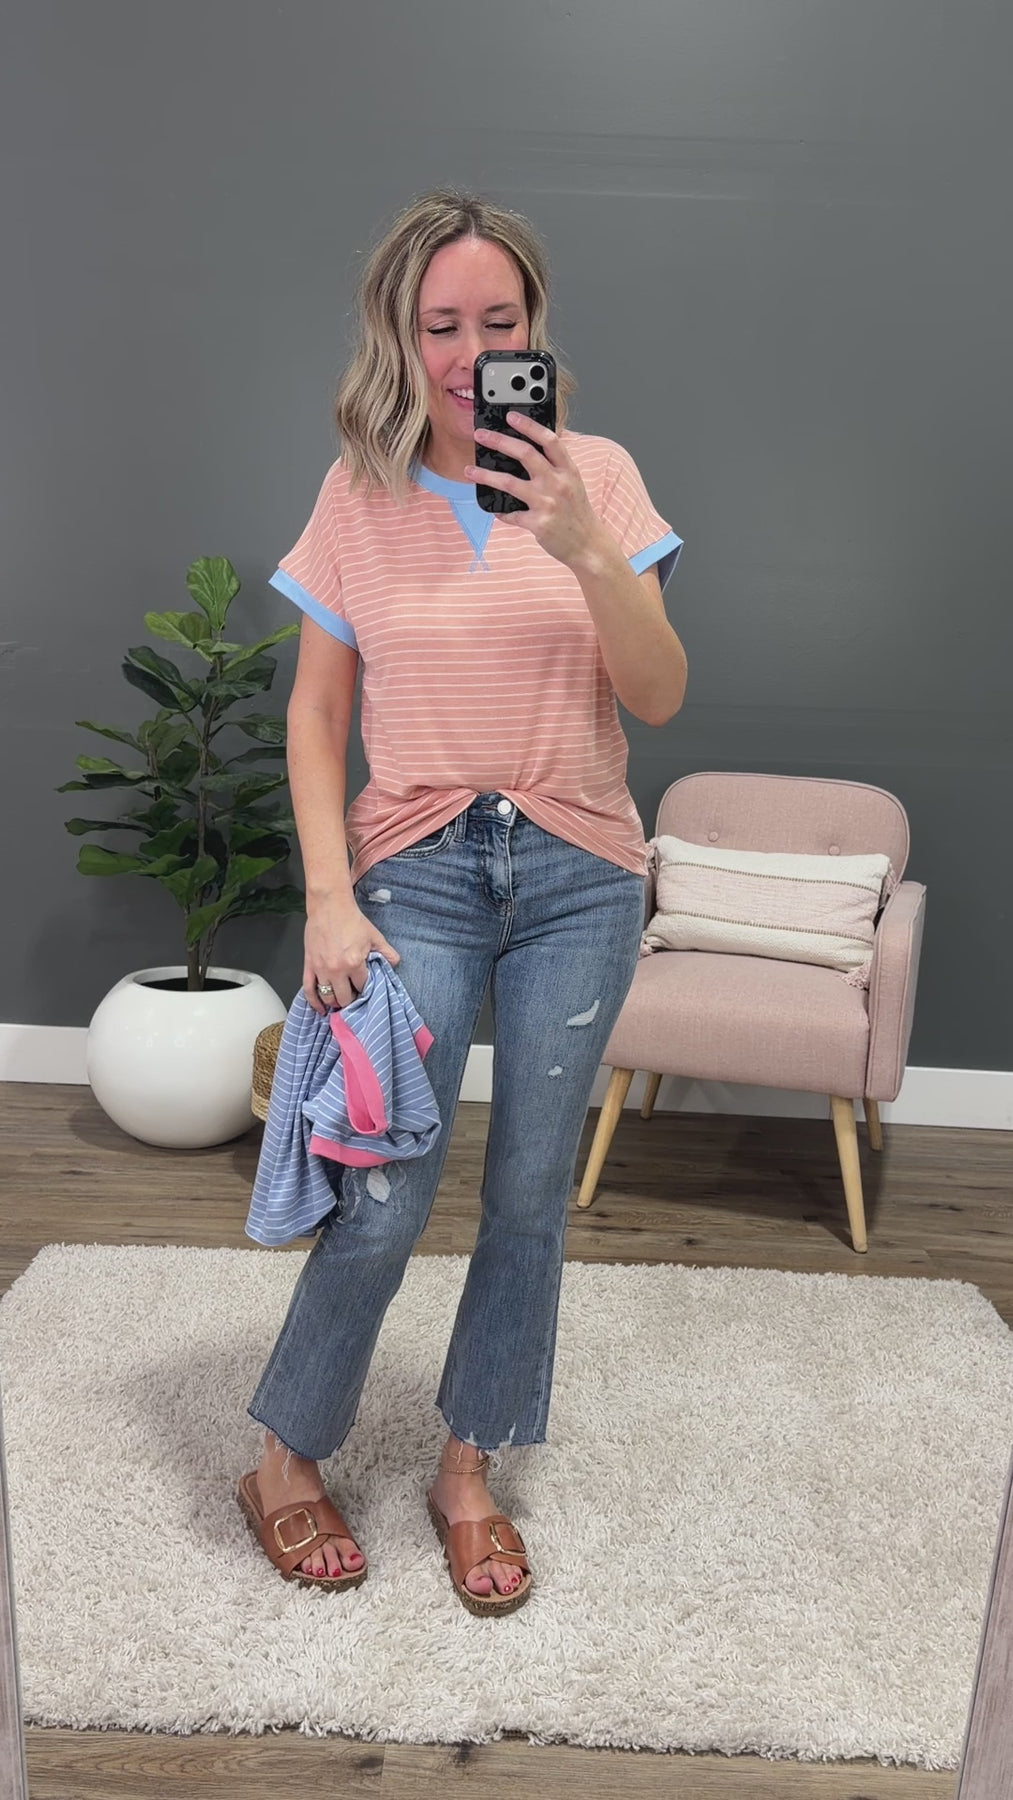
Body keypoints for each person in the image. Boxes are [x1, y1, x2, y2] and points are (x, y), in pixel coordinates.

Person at [240, 189, 688, 1615]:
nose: (470, 352)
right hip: (415, 870)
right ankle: (282, 1453)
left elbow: (659, 695)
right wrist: (327, 896)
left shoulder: (598, 478)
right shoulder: (356, 494)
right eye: (443, 324)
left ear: (534, 328)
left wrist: (586, 546)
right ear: (400, 330)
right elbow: (317, 714)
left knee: (529, 1197)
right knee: (382, 1189)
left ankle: (466, 1468)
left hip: (580, 874)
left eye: (500, 322)